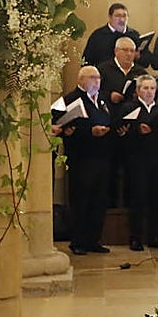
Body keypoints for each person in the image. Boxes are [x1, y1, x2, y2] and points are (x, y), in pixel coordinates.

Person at [51, 66, 113, 255]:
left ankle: (93, 239)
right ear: (81, 80)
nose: (97, 81)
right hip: (81, 158)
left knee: (99, 200)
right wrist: (89, 131)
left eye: (99, 77)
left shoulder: (101, 100)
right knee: (81, 200)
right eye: (92, 77)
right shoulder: (69, 99)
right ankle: (78, 241)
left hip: (102, 156)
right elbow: (56, 121)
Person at [115, 74, 158, 251]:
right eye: (145, 88)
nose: (149, 92)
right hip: (136, 161)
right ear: (138, 90)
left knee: (156, 199)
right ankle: (136, 237)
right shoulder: (128, 108)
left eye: (152, 89)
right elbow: (120, 134)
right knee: (138, 199)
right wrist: (136, 131)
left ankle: (154, 236)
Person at [82, 3, 140, 67]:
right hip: (103, 74)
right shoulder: (98, 36)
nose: (122, 20)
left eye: (124, 16)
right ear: (110, 17)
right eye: (118, 16)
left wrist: (138, 56)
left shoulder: (135, 35)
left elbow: (146, 62)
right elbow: (86, 61)